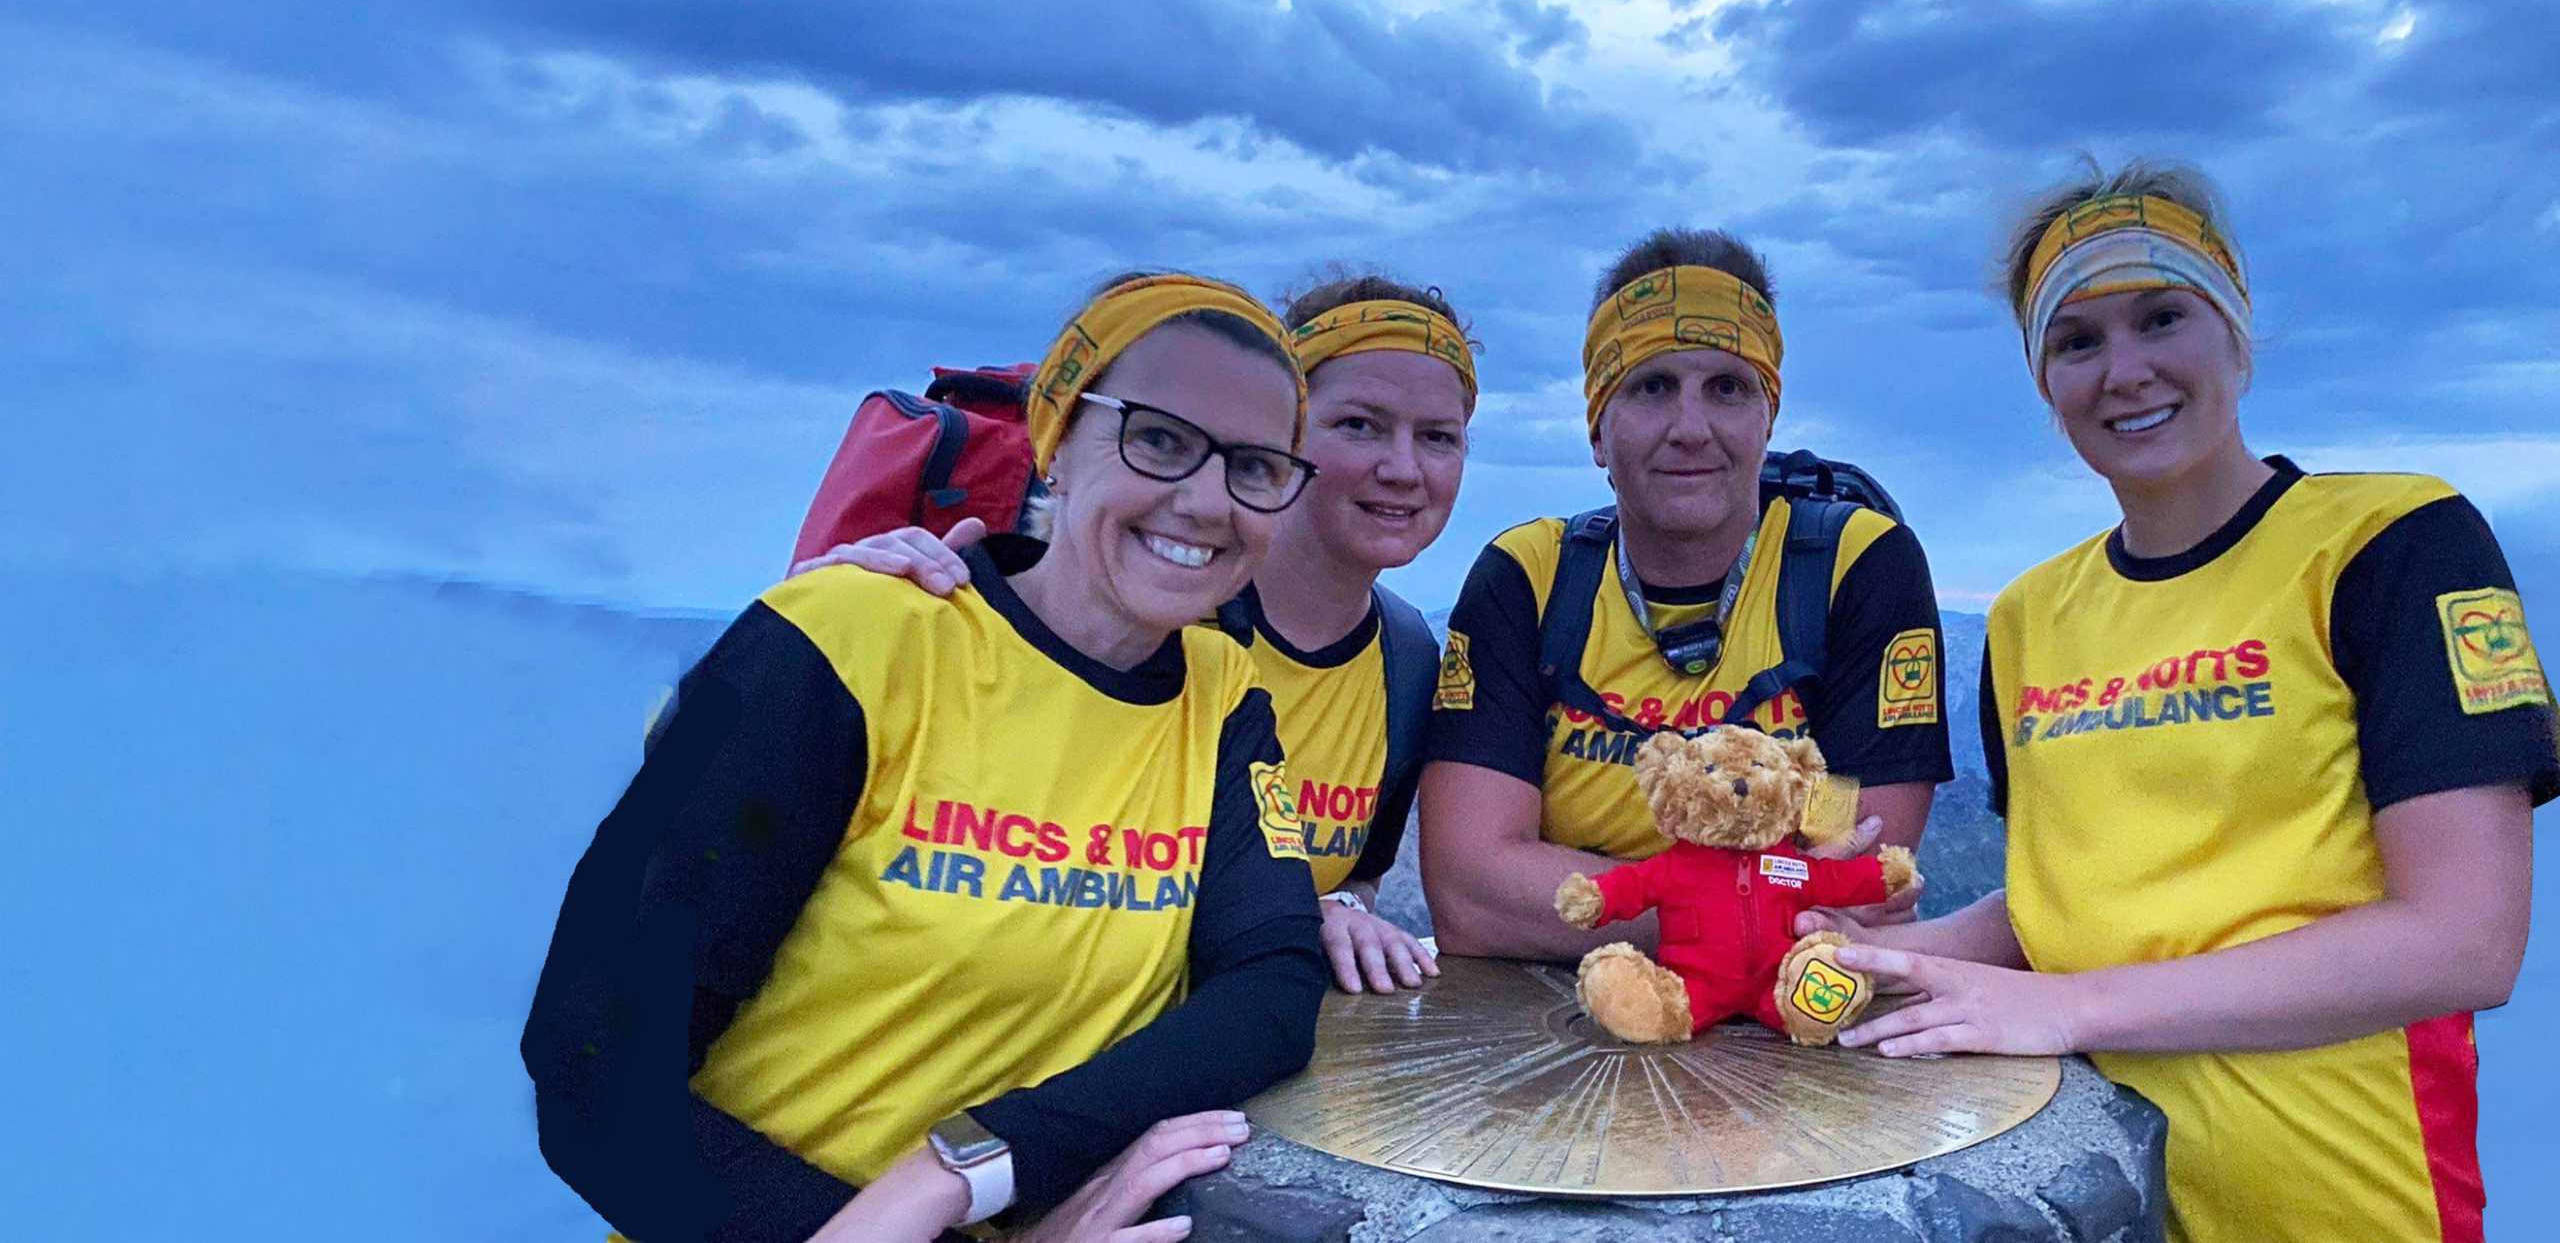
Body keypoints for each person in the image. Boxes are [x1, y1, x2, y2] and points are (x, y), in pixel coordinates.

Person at [1803, 161, 2555, 1243]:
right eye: (2077, 340)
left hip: (2343, 1196)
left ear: (2234, 335)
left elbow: (2462, 939)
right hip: (2090, 1197)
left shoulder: (2389, 544)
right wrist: (1894, 956)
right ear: (2044, 381)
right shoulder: (2027, 616)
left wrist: (2069, 1007)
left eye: (2162, 316)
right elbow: (2066, 898)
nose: (2124, 369)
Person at [522, 273, 1329, 1243]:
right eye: (1157, 439)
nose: (1206, 499)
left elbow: (1271, 984)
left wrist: (966, 1165)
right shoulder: (837, 643)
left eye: (1256, 466)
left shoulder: (1225, 694)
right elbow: (589, 1063)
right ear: (1057, 437)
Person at [806, 271, 1478, 994]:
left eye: (1437, 437)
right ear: (1281, 438)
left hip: (1227, 1054)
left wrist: (1324, 909)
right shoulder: (1147, 608)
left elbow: (1356, 881)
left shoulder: (1405, 660)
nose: (1402, 469)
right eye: (1359, 425)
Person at [1420, 228, 1953, 962]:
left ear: (1767, 419)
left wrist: (1587, 891)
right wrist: (1757, 902)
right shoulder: (1530, 578)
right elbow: (1470, 897)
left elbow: (1854, 871)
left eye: (1728, 388)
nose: (1691, 429)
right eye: (1652, 386)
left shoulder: (1854, 569)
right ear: (1599, 432)